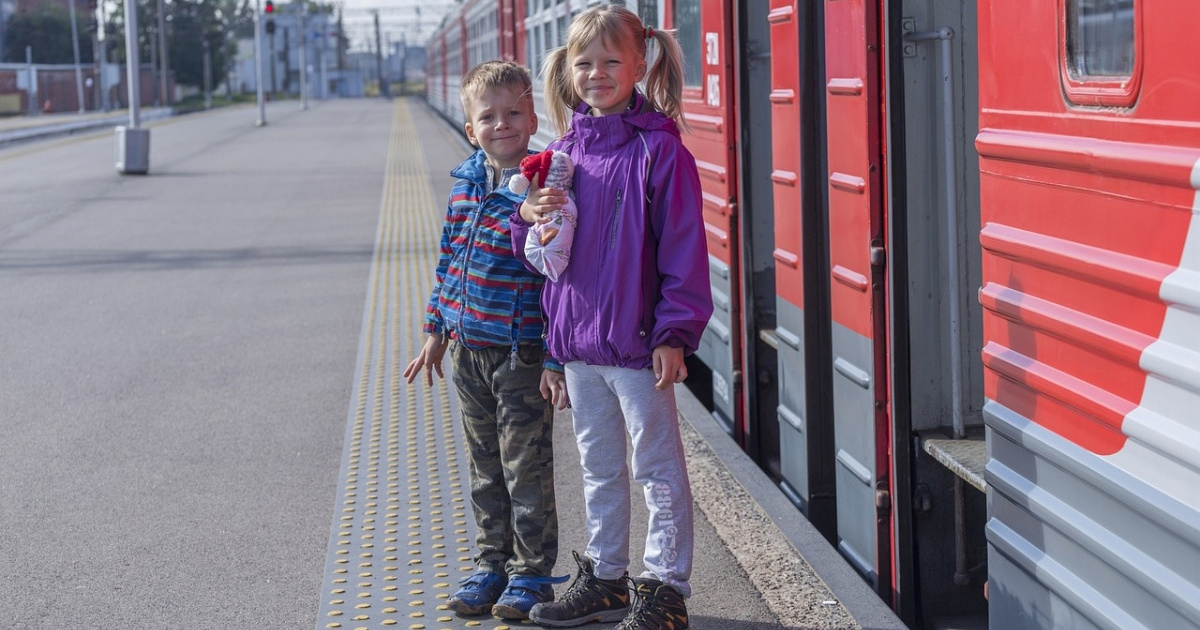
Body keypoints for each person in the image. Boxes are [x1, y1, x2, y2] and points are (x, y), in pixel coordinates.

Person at [510, 6, 713, 630]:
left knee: (656, 469)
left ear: (639, 64)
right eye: (584, 63)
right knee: (598, 468)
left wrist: (674, 333)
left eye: (610, 61)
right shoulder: (561, 154)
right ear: (568, 71)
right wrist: (527, 217)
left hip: (638, 344)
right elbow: (551, 260)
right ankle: (606, 578)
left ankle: (665, 587)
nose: (596, 73)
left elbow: (683, 250)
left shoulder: (659, 151)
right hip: (578, 348)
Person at [403, 59, 570, 622]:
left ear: (533, 120)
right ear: (471, 129)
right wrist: (435, 330)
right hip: (468, 350)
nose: (502, 124)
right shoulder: (465, 188)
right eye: (489, 116)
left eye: (514, 113)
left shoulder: (546, 186)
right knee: (485, 467)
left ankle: (532, 575)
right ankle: (491, 565)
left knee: (526, 469)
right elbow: (449, 263)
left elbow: (558, 279)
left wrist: (555, 358)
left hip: (521, 352)